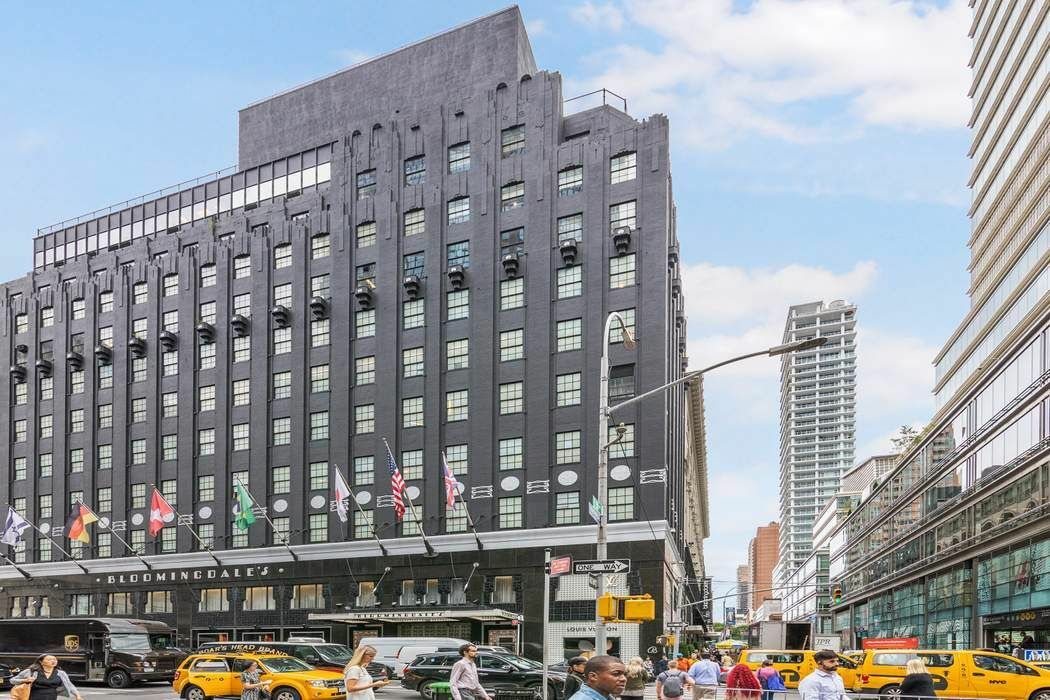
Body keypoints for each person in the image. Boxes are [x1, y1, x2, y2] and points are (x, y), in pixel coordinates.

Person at [11, 655, 84, 700]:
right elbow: (12, 680)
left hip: (52, 697)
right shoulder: (31, 671)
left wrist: (77, 696)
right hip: (34, 697)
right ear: (41, 662)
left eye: (55, 659)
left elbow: (69, 685)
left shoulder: (61, 673)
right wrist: (25, 680)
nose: (53, 661)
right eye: (49, 659)